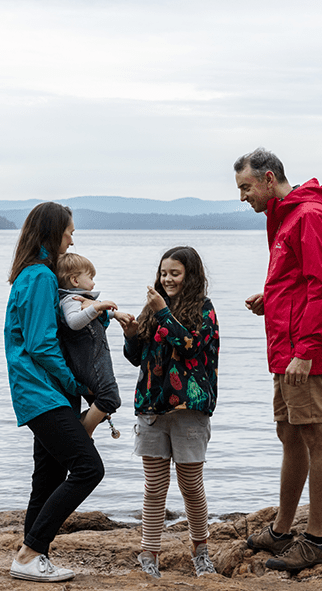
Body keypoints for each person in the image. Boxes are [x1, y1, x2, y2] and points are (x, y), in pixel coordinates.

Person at [234, 148, 322, 572]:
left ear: (268, 179)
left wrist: (305, 352)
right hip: (285, 349)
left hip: (307, 353)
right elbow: (299, 279)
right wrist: (272, 298)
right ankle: (283, 530)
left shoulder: (311, 217)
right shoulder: (285, 216)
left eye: (246, 187)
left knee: (317, 434)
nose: (243, 197)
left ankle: (317, 540)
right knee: (289, 432)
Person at [4, 202, 105, 583]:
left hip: (43, 393)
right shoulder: (39, 277)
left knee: (47, 477)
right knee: (88, 468)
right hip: (42, 392)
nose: (72, 238)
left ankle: (31, 558)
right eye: (68, 232)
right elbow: (40, 344)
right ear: (52, 232)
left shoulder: (35, 275)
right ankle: (31, 552)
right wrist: (77, 384)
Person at [121, 246, 220, 579]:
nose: (167, 279)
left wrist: (162, 312)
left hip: (190, 410)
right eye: (164, 273)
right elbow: (136, 357)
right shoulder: (153, 309)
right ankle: (149, 554)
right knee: (154, 487)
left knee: (191, 485)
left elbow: (190, 346)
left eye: (174, 273)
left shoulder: (204, 310)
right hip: (151, 408)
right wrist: (130, 334)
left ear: (190, 275)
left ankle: (201, 551)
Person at [55, 252, 132, 437]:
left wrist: (114, 314)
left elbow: (89, 316)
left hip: (94, 361)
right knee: (109, 396)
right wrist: (96, 307)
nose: (93, 282)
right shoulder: (70, 300)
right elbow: (74, 322)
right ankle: (83, 432)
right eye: (90, 277)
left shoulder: (81, 299)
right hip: (90, 363)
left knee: (105, 401)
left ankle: (84, 430)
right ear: (74, 280)